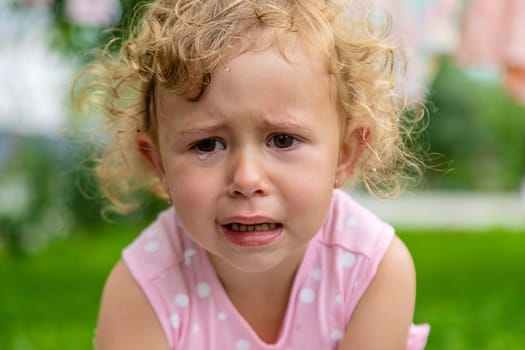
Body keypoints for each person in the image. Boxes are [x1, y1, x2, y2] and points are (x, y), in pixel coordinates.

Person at [75, 0, 430, 349]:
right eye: (208, 145)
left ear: (345, 155)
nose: (246, 180)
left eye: (282, 139)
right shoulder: (144, 287)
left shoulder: (372, 270)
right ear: (159, 165)